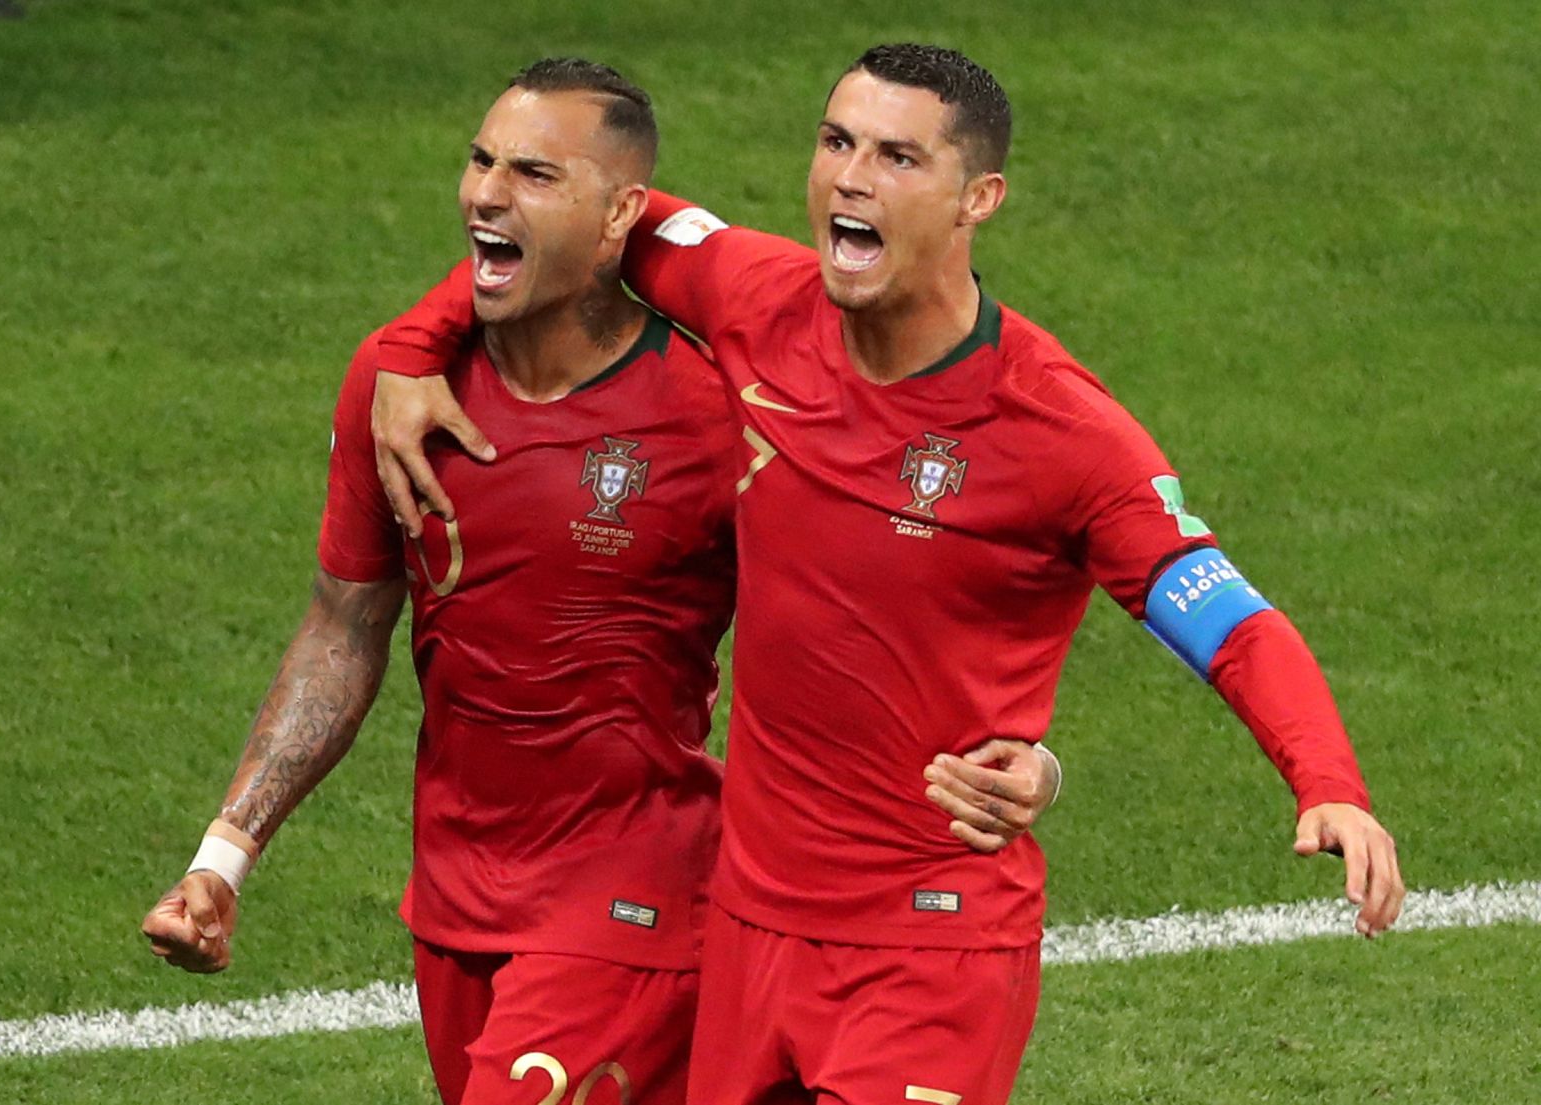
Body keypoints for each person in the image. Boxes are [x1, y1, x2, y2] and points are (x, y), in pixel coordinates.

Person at [368, 43, 1406, 1105]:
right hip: (748, 934)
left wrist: (1329, 784)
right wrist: (414, 342)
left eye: (898, 157)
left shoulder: (1060, 429)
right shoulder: (755, 300)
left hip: (929, 950)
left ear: (977, 198)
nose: (851, 179)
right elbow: (565, 217)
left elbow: (1226, 617)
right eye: (837, 142)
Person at [140, 57, 1060, 1105]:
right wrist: (225, 854)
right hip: (454, 899)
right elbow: (342, 626)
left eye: (535, 175)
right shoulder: (396, 391)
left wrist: (1030, 759)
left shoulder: (714, 415)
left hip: (637, 901)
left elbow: (872, 613)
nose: (487, 194)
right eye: (481, 161)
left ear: (621, 213)